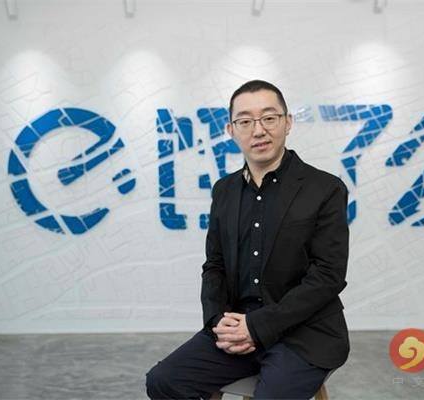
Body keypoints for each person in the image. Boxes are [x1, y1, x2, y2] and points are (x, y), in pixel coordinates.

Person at [145, 80, 350, 399]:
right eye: (245, 121)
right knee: (163, 381)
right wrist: (218, 322)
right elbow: (214, 266)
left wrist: (259, 326)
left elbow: (328, 276)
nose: (258, 130)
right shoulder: (224, 191)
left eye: (269, 118)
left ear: (288, 122)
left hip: (303, 334)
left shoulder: (325, 189)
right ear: (231, 130)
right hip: (237, 326)